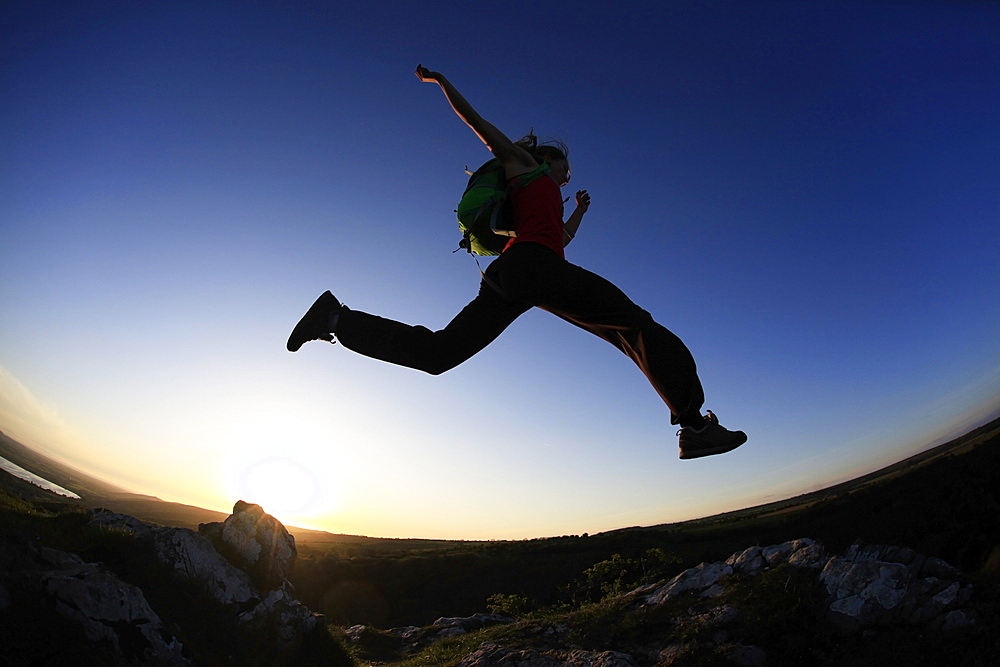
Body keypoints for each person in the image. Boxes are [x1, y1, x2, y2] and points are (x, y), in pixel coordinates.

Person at [287, 65, 747, 460]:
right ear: (547, 160)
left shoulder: (543, 201)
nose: (569, 176)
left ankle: (333, 316)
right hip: (532, 269)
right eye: (565, 168)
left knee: (439, 354)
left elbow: (560, 238)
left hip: (517, 273)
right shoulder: (526, 168)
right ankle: (696, 428)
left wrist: (580, 210)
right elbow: (477, 121)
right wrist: (441, 81)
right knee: (633, 325)